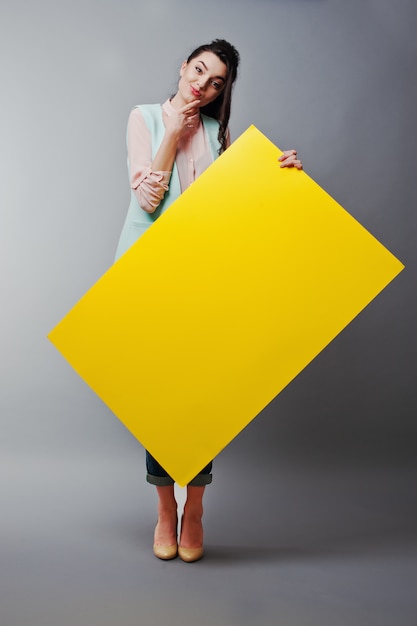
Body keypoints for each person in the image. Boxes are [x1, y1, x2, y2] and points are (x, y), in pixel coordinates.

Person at [115, 39, 302, 563]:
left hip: (202, 280)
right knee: (158, 398)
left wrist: (282, 174)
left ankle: (194, 507)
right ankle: (164, 510)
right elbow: (148, 199)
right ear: (183, 67)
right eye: (199, 70)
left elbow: (235, 207)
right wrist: (173, 132)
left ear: (222, 91)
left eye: (216, 81)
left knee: (201, 396)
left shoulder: (220, 135)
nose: (203, 84)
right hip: (149, 278)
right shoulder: (144, 117)